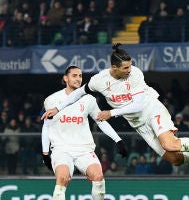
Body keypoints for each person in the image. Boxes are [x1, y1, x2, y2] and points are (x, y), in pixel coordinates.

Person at [41, 44, 189, 169]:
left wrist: (112, 112)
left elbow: (137, 104)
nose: (130, 69)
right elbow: (78, 92)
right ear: (114, 68)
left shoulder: (136, 74)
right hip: (139, 125)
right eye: (125, 68)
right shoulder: (98, 80)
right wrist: (57, 108)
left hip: (150, 110)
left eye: (130, 65)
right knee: (176, 159)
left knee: (170, 144)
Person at [41, 65, 129, 200]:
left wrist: (118, 140)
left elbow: (100, 121)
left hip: (84, 149)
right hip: (61, 149)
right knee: (63, 178)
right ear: (66, 78)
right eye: (74, 76)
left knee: (98, 177)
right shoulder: (51, 100)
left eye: (80, 76)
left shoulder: (89, 99)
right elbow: (46, 127)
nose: (78, 79)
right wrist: (45, 153)